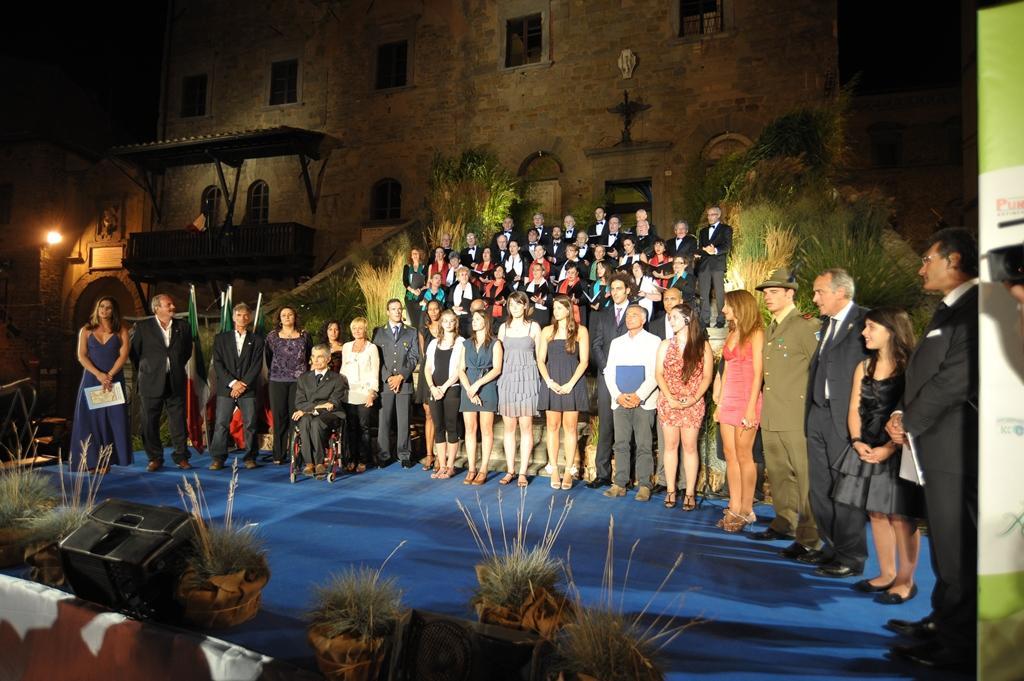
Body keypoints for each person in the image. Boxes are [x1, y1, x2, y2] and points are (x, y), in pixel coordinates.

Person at [885, 228, 978, 670]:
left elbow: (956, 379)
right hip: (932, 446)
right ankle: (942, 622)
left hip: (955, 449)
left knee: (958, 551)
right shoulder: (950, 309)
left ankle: (957, 648)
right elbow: (925, 373)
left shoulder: (975, 310)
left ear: (953, 260)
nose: (921, 268)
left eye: (927, 259)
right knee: (944, 546)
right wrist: (901, 412)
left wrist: (911, 419)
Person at [832, 307, 922, 604]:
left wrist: (889, 448)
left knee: (901, 516)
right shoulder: (864, 366)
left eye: (871, 327)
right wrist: (857, 441)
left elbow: (914, 410)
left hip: (900, 449)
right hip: (867, 446)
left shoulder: (911, 367)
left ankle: (906, 581)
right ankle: (886, 573)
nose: (864, 333)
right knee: (877, 513)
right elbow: (854, 408)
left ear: (891, 330)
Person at [747, 269, 823, 559]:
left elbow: (820, 368)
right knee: (779, 474)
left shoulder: (805, 325)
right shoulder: (772, 328)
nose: (767, 297)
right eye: (766, 293)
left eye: (774, 292)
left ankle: (810, 537)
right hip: (773, 413)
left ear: (790, 293)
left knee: (805, 477)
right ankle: (784, 521)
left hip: (796, 414)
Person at [803, 268, 870, 576]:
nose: (815, 298)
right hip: (818, 414)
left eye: (820, 292)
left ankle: (851, 557)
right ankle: (832, 547)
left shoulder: (865, 321)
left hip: (846, 418)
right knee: (820, 489)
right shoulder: (826, 324)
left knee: (845, 491)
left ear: (840, 292)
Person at [713, 290, 764, 532]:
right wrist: (720, 403)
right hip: (729, 399)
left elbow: (758, 374)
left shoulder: (757, 333)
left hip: (747, 399)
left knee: (745, 455)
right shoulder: (732, 332)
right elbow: (726, 371)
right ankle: (734, 505)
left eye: (727, 306)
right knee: (729, 454)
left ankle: (746, 509)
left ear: (740, 306)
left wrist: (751, 408)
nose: (723, 310)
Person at [655, 303, 713, 510]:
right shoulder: (665, 345)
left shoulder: (702, 346)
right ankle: (671, 490)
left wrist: (694, 398)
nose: (671, 321)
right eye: (669, 318)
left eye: (675, 317)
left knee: (689, 447)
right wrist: (669, 397)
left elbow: (707, 376)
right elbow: (658, 374)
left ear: (687, 319)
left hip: (692, 402)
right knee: (670, 446)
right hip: (669, 401)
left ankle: (689, 492)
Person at [602, 304, 661, 501]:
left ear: (643, 319)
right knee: (620, 443)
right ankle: (620, 483)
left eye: (634, 315)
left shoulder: (654, 341)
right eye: (627, 315)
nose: (629, 318)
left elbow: (655, 372)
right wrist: (618, 395)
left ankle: (644, 485)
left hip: (644, 401)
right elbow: (609, 371)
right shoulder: (617, 342)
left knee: (644, 444)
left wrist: (639, 395)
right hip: (620, 400)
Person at [130, 293, 194, 471]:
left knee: (178, 421)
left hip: (175, 380)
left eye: (172, 304)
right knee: (149, 422)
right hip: (150, 381)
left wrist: (174, 365)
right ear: (156, 308)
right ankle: (155, 458)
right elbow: (134, 353)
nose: (173, 307)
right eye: (168, 304)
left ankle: (181, 457)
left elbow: (186, 351)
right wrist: (150, 369)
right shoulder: (142, 327)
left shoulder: (183, 326)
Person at [70, 296, 131, 471]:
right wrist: (99, 374)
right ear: (97, 309)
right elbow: (82, 355)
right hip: (92, 379)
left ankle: (106, 461)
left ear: (114, 311)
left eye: (108, 307)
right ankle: (90, 461)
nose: (104, 310)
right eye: (101, 306)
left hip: (113, 381)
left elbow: (123, 356)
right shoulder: (86, 330)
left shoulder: (121, 331)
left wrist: (109, 375)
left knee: (113, 419)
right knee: (90, 420)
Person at [538, 295, 590, 490]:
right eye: (554, 308)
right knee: (552, 426)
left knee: (570, 428)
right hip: (551, 381)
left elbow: (584, 361)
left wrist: (570, 384)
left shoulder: (580, 331)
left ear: (568, 310)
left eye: (560, 308)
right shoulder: (547, 331)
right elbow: (540, 360)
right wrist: (548, 381)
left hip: (572, 382)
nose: (556, 311)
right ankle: (554, 469)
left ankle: (569, 470)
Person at [587, 274, 632, 489]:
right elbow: (596, 344)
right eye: (612, 289)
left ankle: (627, 474)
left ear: (628, 290)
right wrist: (606, 368)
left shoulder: (636, 312)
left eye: (619, 288)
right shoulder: (603, 315)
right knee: (605, 423)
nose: (615, 292)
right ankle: (602, 473)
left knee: (628, 426)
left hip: (629, 376)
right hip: (606, 376)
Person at [209, 303, 265, 471]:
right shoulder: (221, 338)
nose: (242, 318)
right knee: (221, 423)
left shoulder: (257, 340)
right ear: (233, 317)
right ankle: (218, 458)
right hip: (226, 388)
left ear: (250, 318)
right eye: (239, 315)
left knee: (250, 424)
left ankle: (250, 457)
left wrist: (243, 384)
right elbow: (218, 364)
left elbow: (256, 365)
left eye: (245, 315)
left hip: (248, 389)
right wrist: (233, 383)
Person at [496, 291, 542, 487]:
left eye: (517, 304)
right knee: (509, 428)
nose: (514, 308)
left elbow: (541, 357)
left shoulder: (534, 327)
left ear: (525, 306)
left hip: (528, 379)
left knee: (526, 427)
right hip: (507, 379)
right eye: (511, 304)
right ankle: (510, 470)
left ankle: (522, 472)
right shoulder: (503, 328)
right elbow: (498, 357)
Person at [374, 298, 420, 468]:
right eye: (393, 309)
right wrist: (388, 377)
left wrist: (401, 376)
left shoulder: (411, 332)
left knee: (404, 421)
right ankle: (383, 454)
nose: (397, 312)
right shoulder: (379, 332)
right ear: (388, 312)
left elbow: (414, 357)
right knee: (384, 421)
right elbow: (377, 358)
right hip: (385, 384)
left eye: (399, 309)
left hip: (404, 383)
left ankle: (404, 454)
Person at [459, 309, 503, 485]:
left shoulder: (495, 343)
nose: (474, 322)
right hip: (468, 386)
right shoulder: (466, 344)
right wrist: (469, 388)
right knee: (470, 428)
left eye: (478, 319)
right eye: (473, 319)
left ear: (486, 321)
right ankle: (471, 468)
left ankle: (484, 468)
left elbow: (497, 369)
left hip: (487, 385)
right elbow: (461, 369)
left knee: (486, 429)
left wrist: (477, 385)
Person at [265, 306, 313, 465]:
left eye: (290, 314)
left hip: (298, 382)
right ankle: (278, 454)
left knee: (295, 417)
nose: (286, 317)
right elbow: (268, 357)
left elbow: (309, 356)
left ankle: (295, 454)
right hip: (277, 381)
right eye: (283, 315)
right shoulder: (272, 336)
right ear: (279, 318)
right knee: (279, 418)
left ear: (295, 317)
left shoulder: (304, 335)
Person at [291, 345, 347, 477]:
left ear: (328, 359)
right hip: (308, 414)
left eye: (320, 357)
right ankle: (309, 463)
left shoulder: (337, 378)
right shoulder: (304, 378)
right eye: (313, 356)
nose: (315, 360)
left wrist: (309, 409)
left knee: (316, 422)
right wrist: (316, 408)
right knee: (305, 421)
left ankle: (320, 462)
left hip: (331, 415)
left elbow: (332, 403)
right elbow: (299, 403)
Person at [425, 310, 465, 479]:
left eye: (451, 321)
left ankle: (450, 466)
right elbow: (427, 368)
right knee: (438, 427)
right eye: (445, 321)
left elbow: (460, 369)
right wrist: (433, 387)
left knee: (451, 426)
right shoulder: (433, 343)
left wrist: (445, 387)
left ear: (456, 323)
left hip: (452, 388)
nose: (448, 324)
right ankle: (441, 465)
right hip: (434, 390)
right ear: (441, 323)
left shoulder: (461, 342)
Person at [340, 317, 380, 473]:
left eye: (360, 328)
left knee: (364, 428)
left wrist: (372, 392)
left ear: (365, 330)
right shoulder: (346, 347)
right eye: (354, 328)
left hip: (365, 393)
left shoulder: (372, 348)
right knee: (351, 428)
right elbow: (343, 370)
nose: (357, 331)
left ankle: (363, 460)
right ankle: (352, 459)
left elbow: (374, 372)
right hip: (348, 394)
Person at [415, 300, 443, 470]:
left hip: (443, 370)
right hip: (427, 372)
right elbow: (423, 353)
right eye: (430, 309)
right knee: (429, 414)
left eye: (435, 309)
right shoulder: (423, 330)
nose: (433, 312)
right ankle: (429, 454)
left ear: (440, 310)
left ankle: (441, 455)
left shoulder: (447, 326)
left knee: (440, 414)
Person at [697, 206, 733, 328]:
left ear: (718, 215)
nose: (710, 217)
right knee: (703, 293)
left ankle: (721, 319)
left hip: (717, 264)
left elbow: (727, 246)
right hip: (704, 265)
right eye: (708, 215)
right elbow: (701, 248)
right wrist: (699, 252)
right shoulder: (703, 231)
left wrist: (715, 250)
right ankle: (705, 320)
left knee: (719, 293)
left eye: (712, 214)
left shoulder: (726, 229)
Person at [447, 265, 478, 335]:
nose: (464, 277)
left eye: (466, 274)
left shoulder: (474, 288)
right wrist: (454, 307)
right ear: (458, 277)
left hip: (470, 318)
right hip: (456, 317)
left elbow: (478, 302)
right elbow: (448, 303)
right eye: (462, 275)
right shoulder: (453, 288)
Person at [403, 247, 428, 328]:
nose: (415, 255)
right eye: (413, 253)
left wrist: (419, 290)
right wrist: (413, 291)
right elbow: (405, 282)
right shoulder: (407, 267)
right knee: (411, 320)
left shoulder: (424, 267)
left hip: (421, 296)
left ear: (419, 255)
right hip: (409, 296)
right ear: (411, 256)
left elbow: (427, 283)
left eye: (416, 253)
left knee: (420, 319)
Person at [523, 261, 551, 327]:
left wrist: (541, 301)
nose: (535, 272)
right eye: (533, 270)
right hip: (530, 313)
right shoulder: (528, 285)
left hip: (542, 315)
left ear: (543, 272)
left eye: (538, 270)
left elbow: (551, 303)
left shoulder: (549, 285)